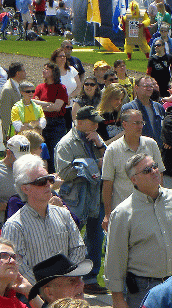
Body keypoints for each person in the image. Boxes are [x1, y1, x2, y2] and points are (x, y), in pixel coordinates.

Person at [104, 153, 172, 308]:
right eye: (147, 170)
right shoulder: (123, 213)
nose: (154, 171)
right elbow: (115, 259)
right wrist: (118, 299)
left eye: (155, 166)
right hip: (143, 289)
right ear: (134, 180)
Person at [1, 154, 86, 285]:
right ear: (25, 188)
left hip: (66, 288)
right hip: (35, 297)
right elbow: (18, 266)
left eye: (49, 179)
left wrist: (66, 278)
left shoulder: (63, 214)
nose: (48, 185)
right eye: (41, 182)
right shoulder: (14, 226)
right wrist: (48, 286)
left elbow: (78, 248)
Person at [54, 106, 107, 294]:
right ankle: (65, 280)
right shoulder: (66, 143)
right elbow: (64, 172)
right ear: (80, 122)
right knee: (69, 241)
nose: (96, 125)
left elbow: (109, 163)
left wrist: (101, 145)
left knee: (95, 239)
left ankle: (90, 279)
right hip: (75, 200)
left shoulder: (94, 139)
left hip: (96, 198)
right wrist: (92, 166)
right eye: (92, 122)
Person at [101, 109, 165, 231]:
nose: (140, 126)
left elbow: (159, 175)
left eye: (142, 123)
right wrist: (108, 214)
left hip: (150, 208)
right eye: (136, 123)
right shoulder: (112, 150)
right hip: (124, 212)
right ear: (124, 124)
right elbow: (107, 183)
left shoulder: (151, 144)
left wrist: (161, 202)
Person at [0, 135, 31, 232]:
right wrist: (12, 206)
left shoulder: (30, 168)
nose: (22, 161)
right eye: (19, 157)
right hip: (1, 224)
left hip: (28, 221)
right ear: (8, 153)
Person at [34, 62, 68, 173]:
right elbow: (33, 104)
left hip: (57, 123)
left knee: (55, 150)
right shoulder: (40, 87)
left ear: (54, 72)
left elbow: (57, 107)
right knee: (42, 149)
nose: (44, 71)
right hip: (43, 122)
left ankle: (56, 173)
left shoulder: (61, 88)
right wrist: (48, 104)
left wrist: (41, 105)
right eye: (44, 69)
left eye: (47, 69)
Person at [121, 76, 165, 148]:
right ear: (136, 88)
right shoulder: (129, 108)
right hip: (140, 150)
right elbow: (126, 132)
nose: (149, 89)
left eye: (151, 86)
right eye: (146, 86)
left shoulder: (158, 107)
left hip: (158, 149)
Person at [50, 48, 81, 129]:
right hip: (58, 108)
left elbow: (79, 87)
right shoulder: (51, 72)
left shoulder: (72, 70)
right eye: (60, 56)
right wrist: (62, 99)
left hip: (71, 106)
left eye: (64, 56)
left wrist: (69, 97)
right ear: (55, 58)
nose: (63, 58)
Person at [0, 62, 27, 139]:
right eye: (24, 71)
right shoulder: (8, 89)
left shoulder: (18, 85)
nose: (25, 73)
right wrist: (8, 133)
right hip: (12, 132)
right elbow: (5, 114)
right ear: (18, 73)